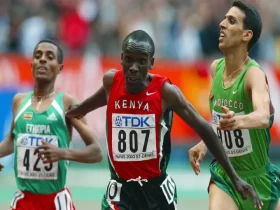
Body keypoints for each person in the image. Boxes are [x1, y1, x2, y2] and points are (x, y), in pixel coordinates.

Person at [66, 30, 263, 210]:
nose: (134, 68)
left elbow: (204, 128)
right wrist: (71, 112)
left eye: (141, 61)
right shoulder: (111, 82)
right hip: (119, 191)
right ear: (121, 59)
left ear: (151, 62)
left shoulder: (165, 93)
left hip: (156, 192)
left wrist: (234, 177)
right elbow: (92, 103)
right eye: (129, 59)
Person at [188, 1, 280, 210]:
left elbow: (263, 116)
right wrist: (205, 143)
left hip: (261, 180)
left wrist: (237, 121)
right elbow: (222, 120)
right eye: (224, 19)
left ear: (246, 35)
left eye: (231, 21)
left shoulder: (254, 75)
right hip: (226, 177)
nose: (222, 24)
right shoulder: (215, 69)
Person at [0, 39, 103, 210]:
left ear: (60, 68)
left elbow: (96, 152)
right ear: (31, 64)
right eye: (38, 56)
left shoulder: (67, 104)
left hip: (55, 202)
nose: (42, 60)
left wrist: (63, 153)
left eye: (49, 57)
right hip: (23, 200)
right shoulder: (19, 101)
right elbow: (12, 140)